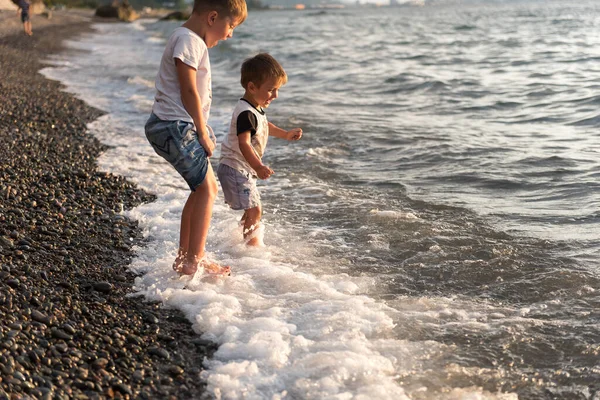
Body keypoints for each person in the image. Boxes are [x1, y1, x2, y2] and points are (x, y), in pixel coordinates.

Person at [145, 0, 247, 276]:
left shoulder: (186, 38)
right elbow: (189, 90)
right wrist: (202, 130)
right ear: (213, 17)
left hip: (169, 125)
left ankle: (185, 258)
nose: (230, 35)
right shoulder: (189, 40)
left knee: (200, 189)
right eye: (231, 26)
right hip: (174, 125)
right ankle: (193, 261)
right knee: (208, 190)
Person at [217, 53, 303, 246]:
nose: (275, 95)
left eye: (277, 90)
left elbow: (264, 125)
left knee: (252, 210)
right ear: (252, 87)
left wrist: (285, 134)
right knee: (255, 210)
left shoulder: (254, 108)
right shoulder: (246, 113)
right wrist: (259, 166)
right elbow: (244, 143)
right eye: (271, 90)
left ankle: (240, 243)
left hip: (240, 168)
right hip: (235, 168)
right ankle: (250, 248)